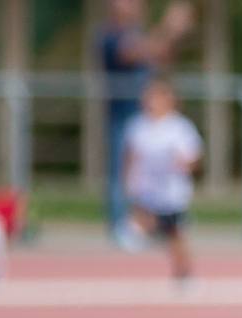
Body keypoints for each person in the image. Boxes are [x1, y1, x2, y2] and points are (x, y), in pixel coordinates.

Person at [97, 0, 194, 247]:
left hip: (150, 118)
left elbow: (160, 55)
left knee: (158, 173)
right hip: (124, 115)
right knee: (123, 174)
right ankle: (122, 226)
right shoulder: (110, 35)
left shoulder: (139, 33)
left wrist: (173, 34)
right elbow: (135, 52)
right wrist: (167, 27)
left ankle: (159, 224)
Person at [121, 76, 203, 282]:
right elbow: (131, 157)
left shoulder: (180, 127)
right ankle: (142, 231)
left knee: (175, 233)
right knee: (141, 222)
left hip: (172, 191)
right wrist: (129, 182)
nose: (151, 101)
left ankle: (183, 272)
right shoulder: (137, 126)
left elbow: (193, 158)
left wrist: (184, 164)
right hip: (146, 189)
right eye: (149, 96)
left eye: (157, 96)